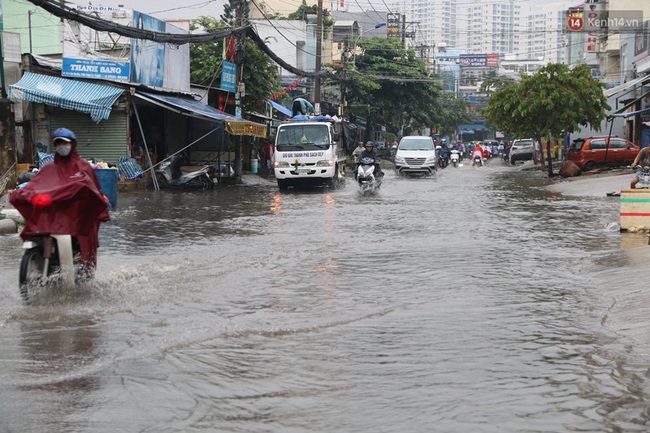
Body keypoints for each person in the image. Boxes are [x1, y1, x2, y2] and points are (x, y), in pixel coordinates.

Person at [10, 128, 110, 270]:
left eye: (65, 143)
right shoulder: (49, 167)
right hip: (54, 214)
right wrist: (22, 193)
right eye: (58, 143)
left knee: (80, 238)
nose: (62, 146)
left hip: (75, 216)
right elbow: (36, 184)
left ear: (72, 144)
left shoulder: (83, 167)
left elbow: (92, 189)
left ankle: (79, 257)